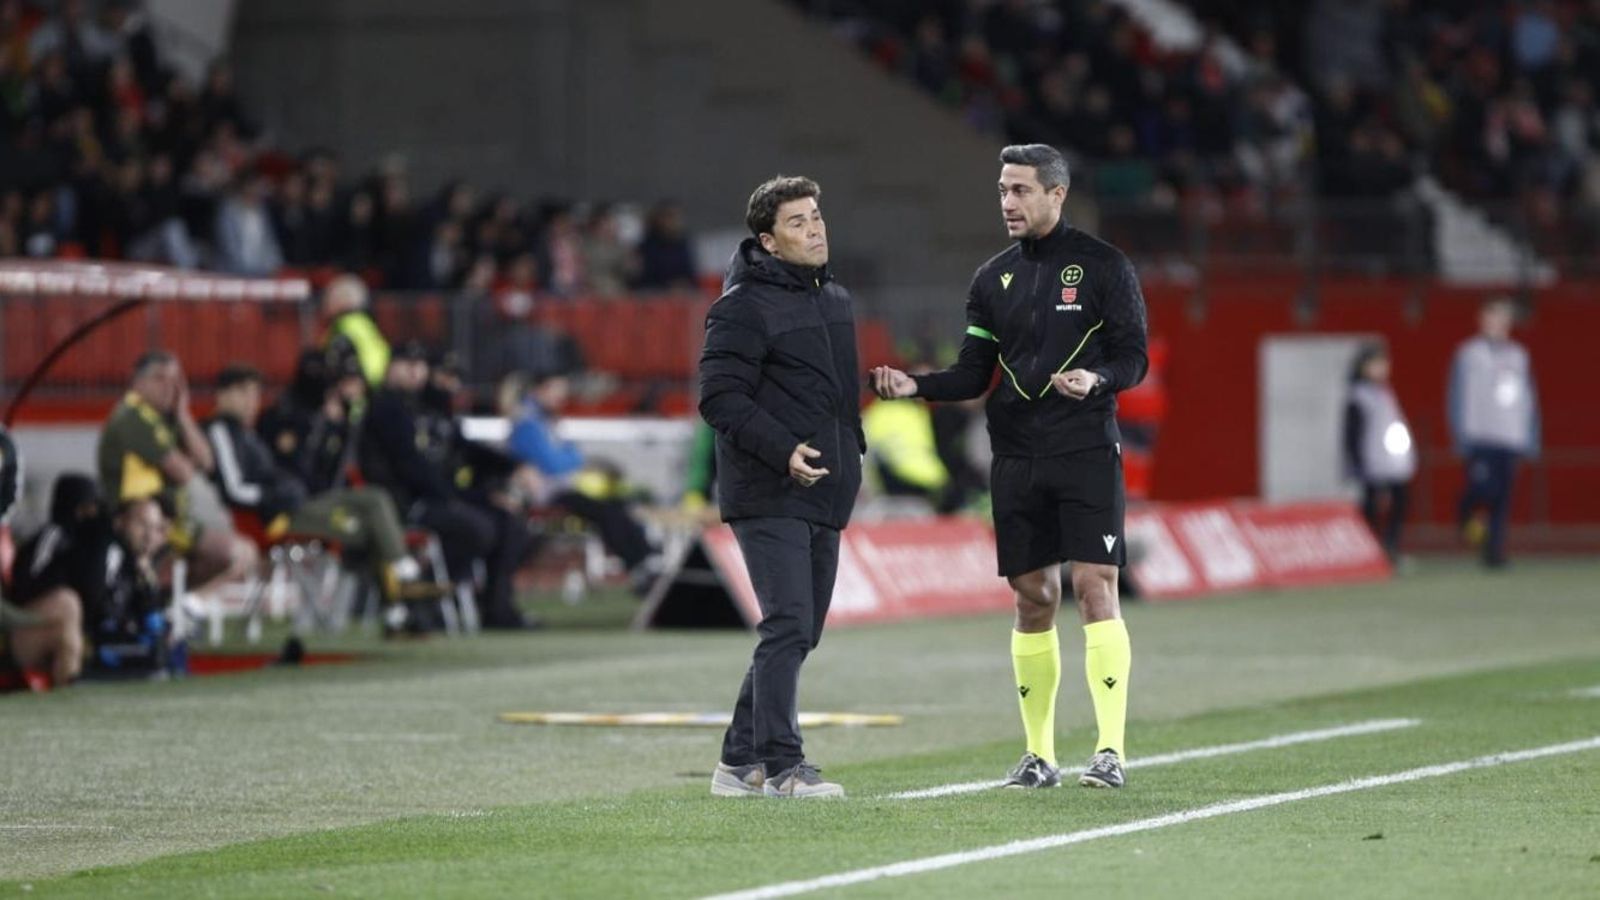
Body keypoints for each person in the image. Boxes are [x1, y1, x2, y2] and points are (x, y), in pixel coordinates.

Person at [871, 144, 1148, 790]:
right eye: (1002, 191)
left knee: (1093, 587)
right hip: (1016, 456)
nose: (1007, 203)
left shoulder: (1105, 267)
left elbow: (1134, 356)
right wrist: (917, 387)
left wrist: (1099, 378)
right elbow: (974, 373)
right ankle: (1039, 755)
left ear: (1056, 194)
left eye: (1020, 190)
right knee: (1032, 598)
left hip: (1084, 449)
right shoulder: (989, 278)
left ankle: (1109, 750)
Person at [699, 175, 864, 799]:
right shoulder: (741, 306)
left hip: (825, 489)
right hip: (767, 489)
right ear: (768, 241)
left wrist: (852, 460)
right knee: (789, 622)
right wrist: (782, 449)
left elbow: (834, 401)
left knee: (800, 630)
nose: (816, 227)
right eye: (798, 222)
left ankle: (737, 765)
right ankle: (782, 768)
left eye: (817, 215)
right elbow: (718, 398)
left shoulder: (836, 299)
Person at [204, 365, 442, 608]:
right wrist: (275, 494)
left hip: (296, 502)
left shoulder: (247, 433)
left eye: (255, 393)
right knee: (369, 528)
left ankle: (402, 585)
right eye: (245, 393)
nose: (252, 401)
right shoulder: (221, 430)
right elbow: (234, 488)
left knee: (374, 498)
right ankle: (401, 596)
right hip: (274, 517)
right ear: (224, 394)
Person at [359, 343, 537, 630]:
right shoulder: (387, 409)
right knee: (477, 528)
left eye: (420, 367)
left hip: (439, 497)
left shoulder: (425, 409)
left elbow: (465, 448)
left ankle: (496, 608)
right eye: (409, 365)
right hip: (405, 502)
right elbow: (413, 469)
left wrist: (513, 467)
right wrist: (473, 497)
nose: (449, 385)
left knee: (510, 523)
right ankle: (423, 600)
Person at [96, 351, 257, 607]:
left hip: (170, 521)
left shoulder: (164, 419)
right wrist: (186, 462)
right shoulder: (132, 417)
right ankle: (179, 605)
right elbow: (183, 473)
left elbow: (206, 461)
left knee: (244, 554)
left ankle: (179, 604)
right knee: (235, 554)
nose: (169, 387)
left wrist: (183, 413)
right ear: (138, 382)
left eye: (176, 380)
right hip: (140, 523)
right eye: (160, 379)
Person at [503, 370, 660, 592]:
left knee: (618, 505)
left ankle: (645, 561)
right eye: (557, 390)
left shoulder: (546, 421)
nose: (562, 397)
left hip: (561, 489)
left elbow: (571, 457)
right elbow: (556, 464)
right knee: (605, 512)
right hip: (547, 495)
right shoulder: (528, 423)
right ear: (542, 390)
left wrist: (567, 459)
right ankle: (640, 565)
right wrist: (568, 460)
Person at [1448, 297, 1541, 569]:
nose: (1498, 324)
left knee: (1502, 498)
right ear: (1482, 320)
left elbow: (1529, 398)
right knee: (1482, 490)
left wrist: (1531, 436)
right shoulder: (1467, 354)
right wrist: (1459, 435)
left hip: (1510, 436)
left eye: (1503, 319)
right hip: (1480, 435)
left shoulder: (1519, 355)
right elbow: (1455, 396)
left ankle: (1494, 552)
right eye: (1492, 318)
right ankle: (1465, 516)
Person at [6, 474, 110, 689]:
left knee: (68, 637)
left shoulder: (93, 545)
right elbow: (25, 586)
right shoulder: (52, 536)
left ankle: (68, 695)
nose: (90, 514)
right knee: (67, 602)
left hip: (57, 630)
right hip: (22, 632)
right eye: (85, 507)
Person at [1342, 344, 1416, 561]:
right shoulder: (1358, 396)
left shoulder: (1385, 393)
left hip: (1393, 462)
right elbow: (1352, 435)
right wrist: (1357, 463)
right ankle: (1370, 549)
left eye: (1383, 363)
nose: (1382, 368)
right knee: (1371, 507)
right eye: (1375, 364)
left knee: (1400, 502)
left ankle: (1390, 547)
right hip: (1372, 463)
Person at [322, 273, 391, 386]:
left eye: (330, 296)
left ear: (343, 299)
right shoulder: (365, 323)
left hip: (359, 389)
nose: (326, 303)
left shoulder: (345, 325)